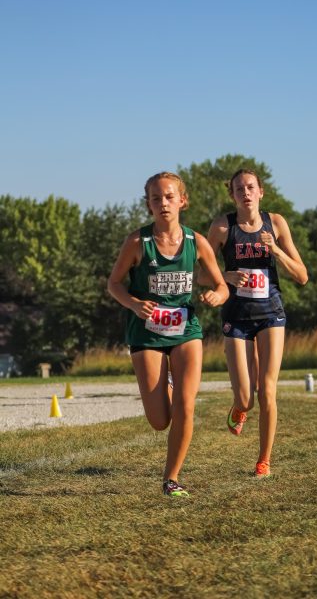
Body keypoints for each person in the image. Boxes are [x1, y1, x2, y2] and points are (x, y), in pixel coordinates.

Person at [107, 172, 228, 498]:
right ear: (148, 204)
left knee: (186, 407)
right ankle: (169, 389)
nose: (163, 203)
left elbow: (221, 285)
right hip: (146, 334)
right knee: (160, 420)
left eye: (169, 197)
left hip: (186, 330)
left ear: (182, 201)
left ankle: (171, 478)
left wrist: (218, 295)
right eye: (156, 198)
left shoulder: (197, 242)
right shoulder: (137, 243)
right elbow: (113, 284)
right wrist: (134, 303)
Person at [198, 169, 308, 478]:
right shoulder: (222, 226)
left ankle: (264, 461)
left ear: (261, 191)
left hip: (271, 312)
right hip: (236, 315)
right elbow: (200, 274)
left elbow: (301, 276)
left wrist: (275, 250)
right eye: (238, 189)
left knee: (267, 391)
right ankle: (238, 409)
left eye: (250, 187)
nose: (245, 193)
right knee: (246, 396)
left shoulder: (277, 223)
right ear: (231, 194)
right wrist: (227, 276)